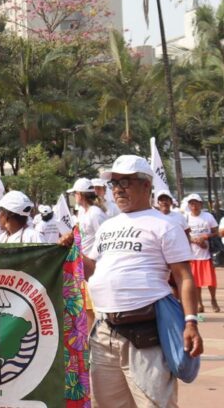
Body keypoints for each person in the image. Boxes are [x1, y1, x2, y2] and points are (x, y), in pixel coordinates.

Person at [85, 155, 202, 408]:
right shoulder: (107, 226)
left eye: (125, 182)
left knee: (154, 404)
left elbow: (184, 277)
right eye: (114, 183)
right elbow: (92, 269)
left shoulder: (165, 225)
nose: (118, 189)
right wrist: (69, 254)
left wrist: (191, 323)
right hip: (104, 332)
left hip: (145, 333)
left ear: (147, 185)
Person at [183, 193, 219, 313]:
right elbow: (182, 235)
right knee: (196, 283)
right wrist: (194, 240)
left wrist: (206, 236)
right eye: (191, 203)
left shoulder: (208, 216)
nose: (194, 205)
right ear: (189, 205)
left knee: (211, 282)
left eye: (196, 203)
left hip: (206, 255)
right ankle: (200, 304)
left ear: (201, 204)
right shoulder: (186, 217)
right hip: (193, 256)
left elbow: (216, 232)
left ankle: (213, 300)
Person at [69, 177, 107, 256]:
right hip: (82, 260)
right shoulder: (82, 211)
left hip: (93, 262)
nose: (73, 196)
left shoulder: (95, 213)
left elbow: (104, 240)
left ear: (80, 194)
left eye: (74, 193)